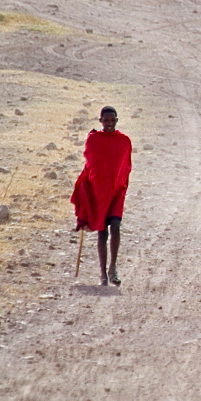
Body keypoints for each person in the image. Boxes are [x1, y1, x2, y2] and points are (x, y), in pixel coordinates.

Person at [71, 105, 132, 286]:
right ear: (100, 121)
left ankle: (113, 268)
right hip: (99, 192)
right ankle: (102, 273)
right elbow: (90, 164)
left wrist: (120, 185)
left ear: (117, 121)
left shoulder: (124, 141)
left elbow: (126, 166)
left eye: (112, 120)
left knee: (116, 226)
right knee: (102, 232)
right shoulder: (94, 140)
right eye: (106, 120)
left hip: (116, 191)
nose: (109, 123)